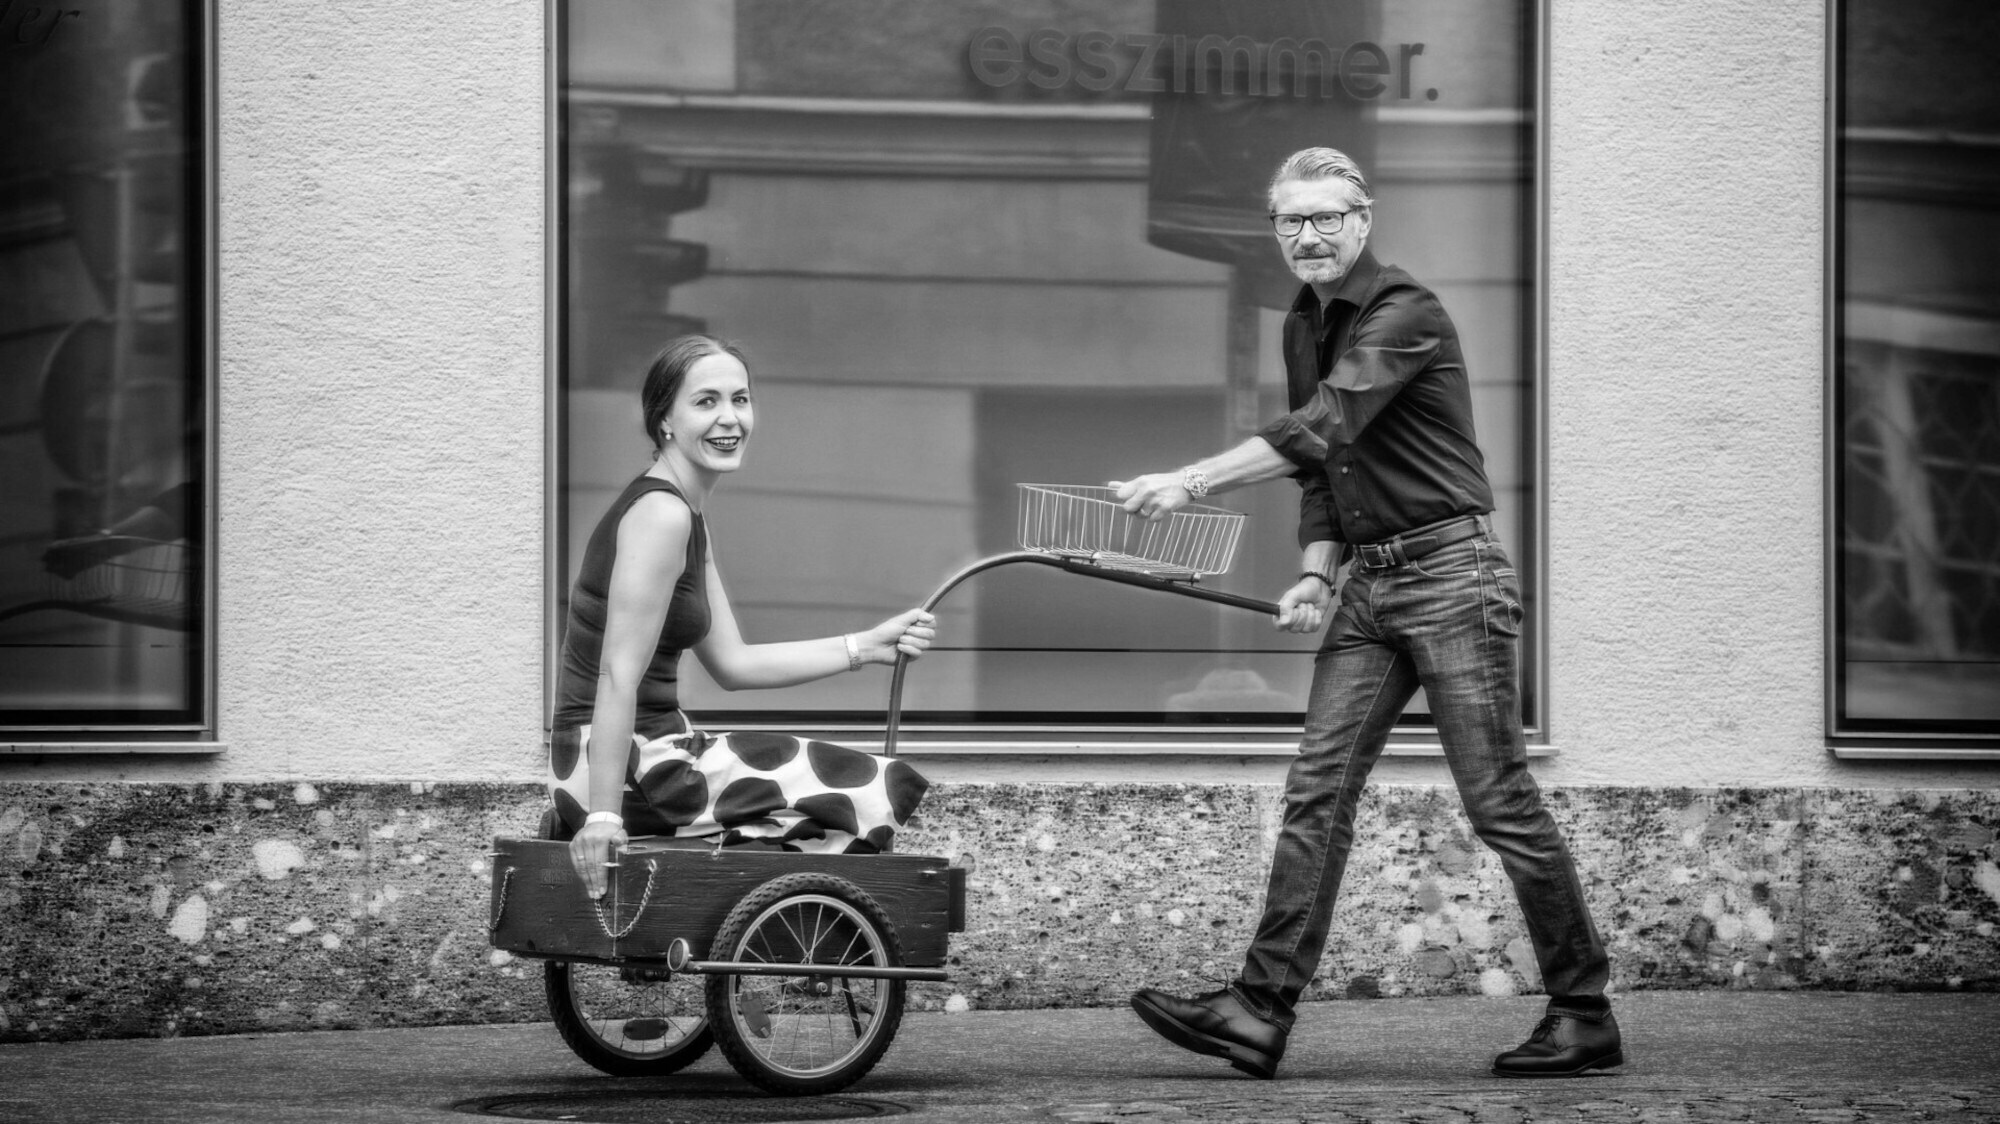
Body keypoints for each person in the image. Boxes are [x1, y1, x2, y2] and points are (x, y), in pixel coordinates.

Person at [1113, 148, 1619, 1080]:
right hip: (1368, 586)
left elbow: (1330, 422)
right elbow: (1323, 469)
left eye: (1326, 218)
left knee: (1499, 802)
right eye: (1290, 221)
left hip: (1452, 576)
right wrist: (1316, 571)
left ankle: (1584, 1012)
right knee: (1318, 790)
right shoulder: (1303, 322)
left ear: (1363, 219)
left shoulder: (1406, 311)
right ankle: (1258, 1012)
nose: (1307, 235)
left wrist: (1191, 480)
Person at [551, 334, 937, 899]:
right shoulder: (663, 516)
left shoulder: (684, 513)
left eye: (741, 399)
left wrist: (867, 646)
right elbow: (617, 675)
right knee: (873, 785)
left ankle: (734, 931)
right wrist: (605, 818)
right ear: (664, 421)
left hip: (637, 754)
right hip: (630, 765)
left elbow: (734, 665)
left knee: (808, 797)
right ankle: (768, 944)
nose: (729, 418)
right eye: (706, 402)